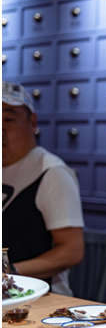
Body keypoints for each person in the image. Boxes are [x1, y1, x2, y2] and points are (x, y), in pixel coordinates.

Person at [2, 81, 84, 296]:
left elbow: (72, 251)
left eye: (8, 119)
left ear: (32, 122)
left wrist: (9, 274)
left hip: (39, 299)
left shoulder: (52, 172)